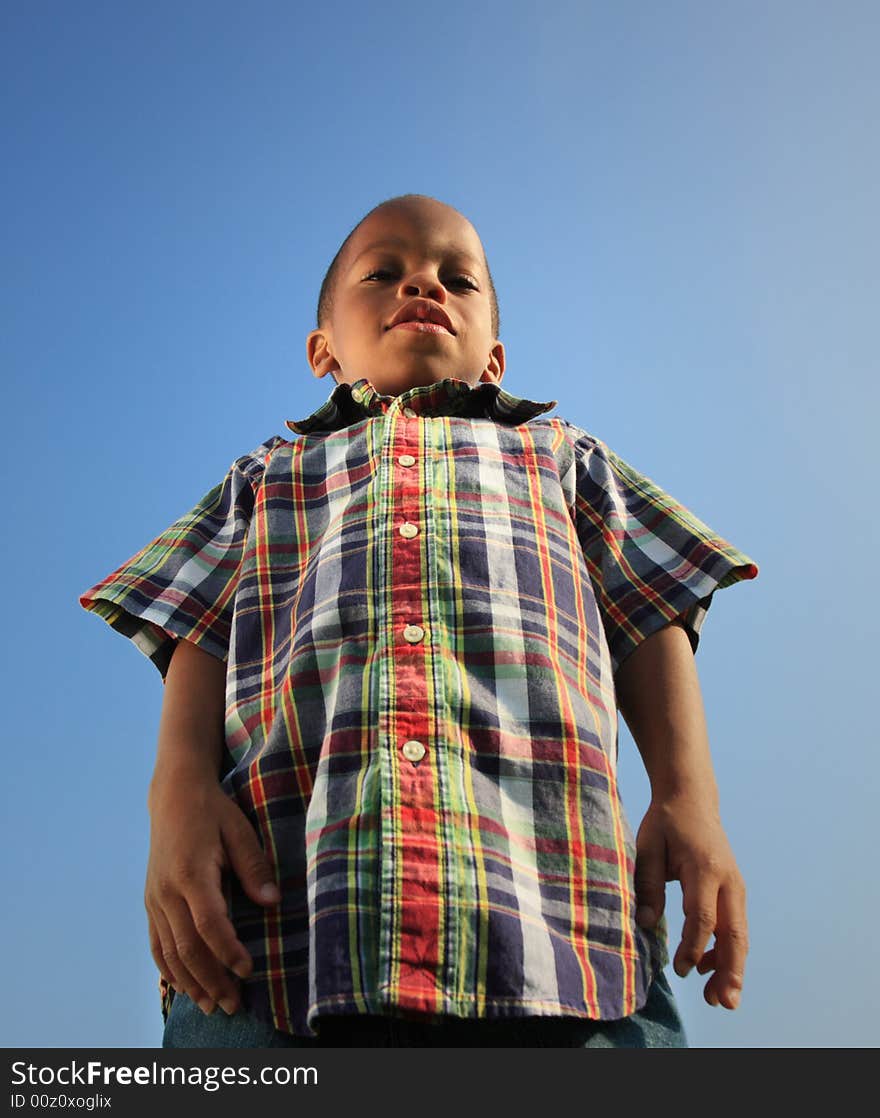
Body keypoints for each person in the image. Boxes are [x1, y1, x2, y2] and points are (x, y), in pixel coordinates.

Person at [80, 194, 758, 1048]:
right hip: (288, 930)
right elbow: (197, 628)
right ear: (323, 349)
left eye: (458, 279)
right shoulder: (267, 478)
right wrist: (175, 794)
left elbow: (650, 613)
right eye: (385, 272)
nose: (424, 286)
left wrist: (690, 799)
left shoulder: (564, 459)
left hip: (557, 930)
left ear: (496, 360)